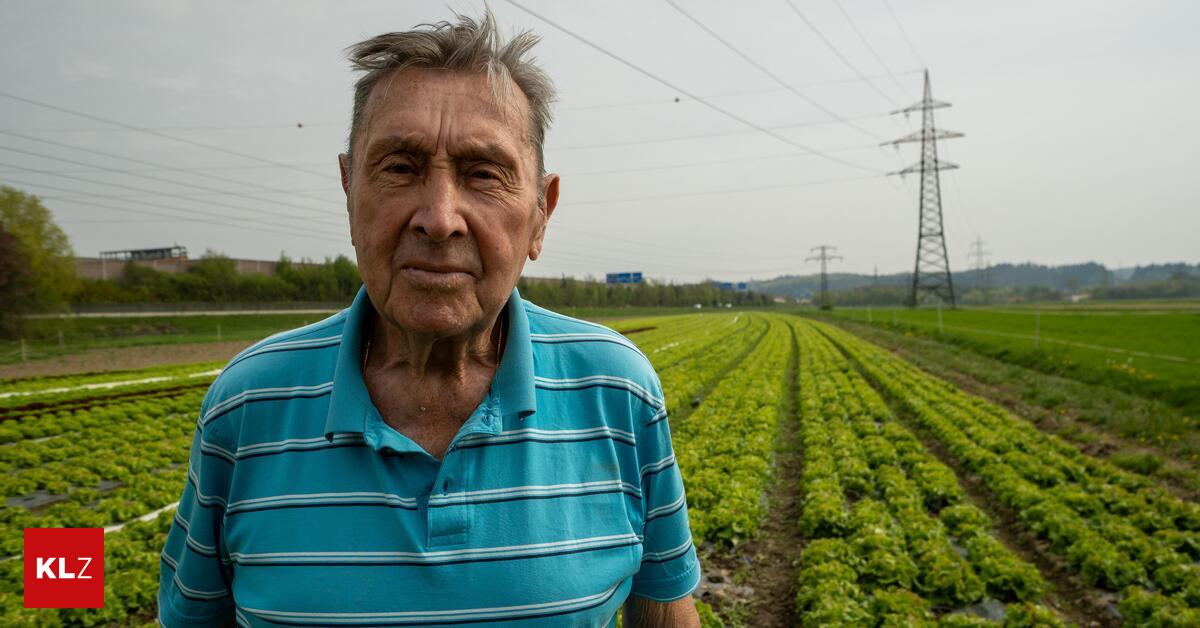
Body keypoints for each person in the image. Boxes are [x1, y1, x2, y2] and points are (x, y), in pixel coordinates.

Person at [157, 10, 701, 627]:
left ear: (541, 214)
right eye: (399, 168)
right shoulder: (248, 402)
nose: (439, 218)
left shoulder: (616, 390)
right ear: (348, 191)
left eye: (484, 174)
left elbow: (665, 613)